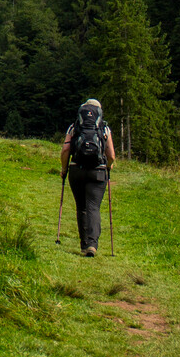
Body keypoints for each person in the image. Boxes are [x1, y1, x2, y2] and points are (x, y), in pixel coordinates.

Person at [59, 97, 116, 256]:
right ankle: (92, 244)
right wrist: (109, 165)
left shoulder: (74, 127)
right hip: (97, 172)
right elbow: (111, 154)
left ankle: (84, 245)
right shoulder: (104, 129)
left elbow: (65, 151)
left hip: (76, 170)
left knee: (81, 207)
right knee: (93, 207)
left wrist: (64, 169)